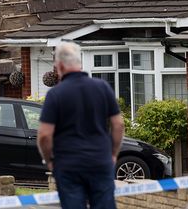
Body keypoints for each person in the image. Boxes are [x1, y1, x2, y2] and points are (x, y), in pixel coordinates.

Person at [37, 42, 125, 209]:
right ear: (80, 63)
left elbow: (44, 135)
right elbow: (118, 125)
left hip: (68, 164)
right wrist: (113, 154)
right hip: (100, 160)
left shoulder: (55, 95)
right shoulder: (103, 88)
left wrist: (50, 160)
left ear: (60, 66)